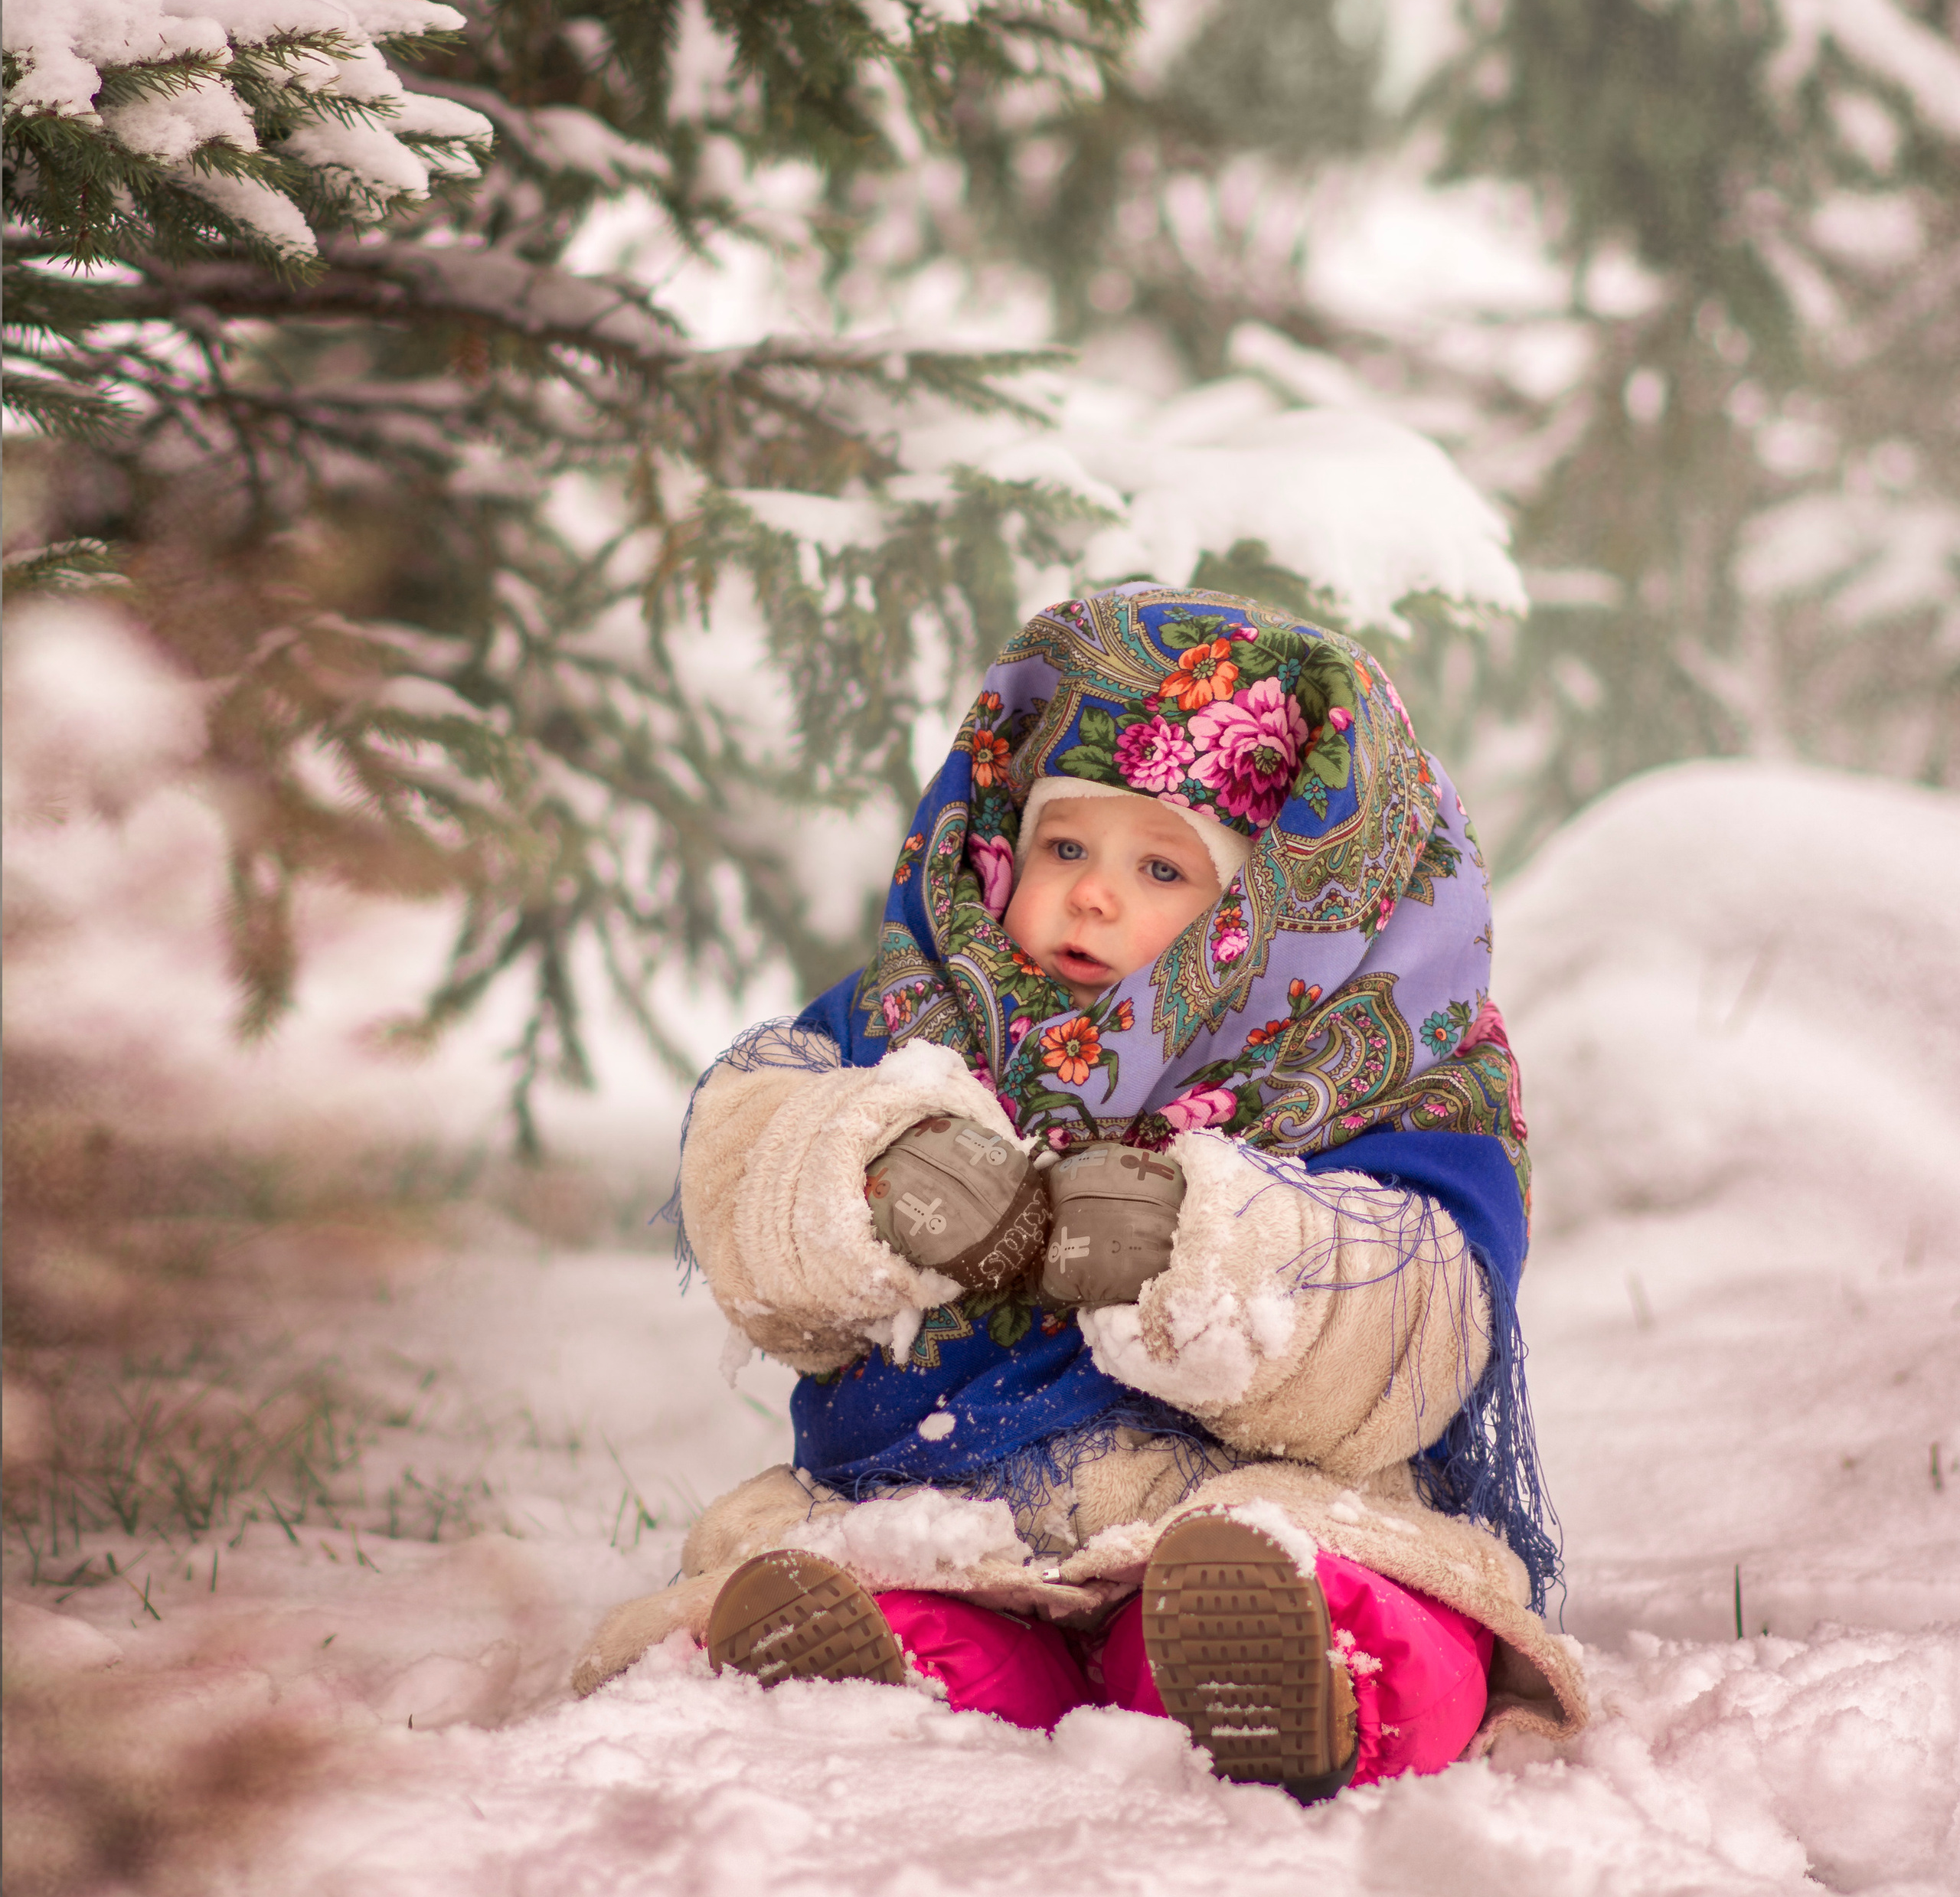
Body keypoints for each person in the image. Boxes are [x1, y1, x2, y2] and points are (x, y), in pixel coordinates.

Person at [573, 586, 1586, 1794]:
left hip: (1247, 1507)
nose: (1094, 894)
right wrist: (866, 1168)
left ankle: (1284, 1675)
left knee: (1348, 1596)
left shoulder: (1367, 1069)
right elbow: (742, 1156)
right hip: (948, 1512)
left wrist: (1204, 1255)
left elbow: (1425, 1322)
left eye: (1161, 866)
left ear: (1279, 922)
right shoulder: (917, 1014)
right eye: (1065, 848)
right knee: (893, 1589)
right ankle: (893, 1673)